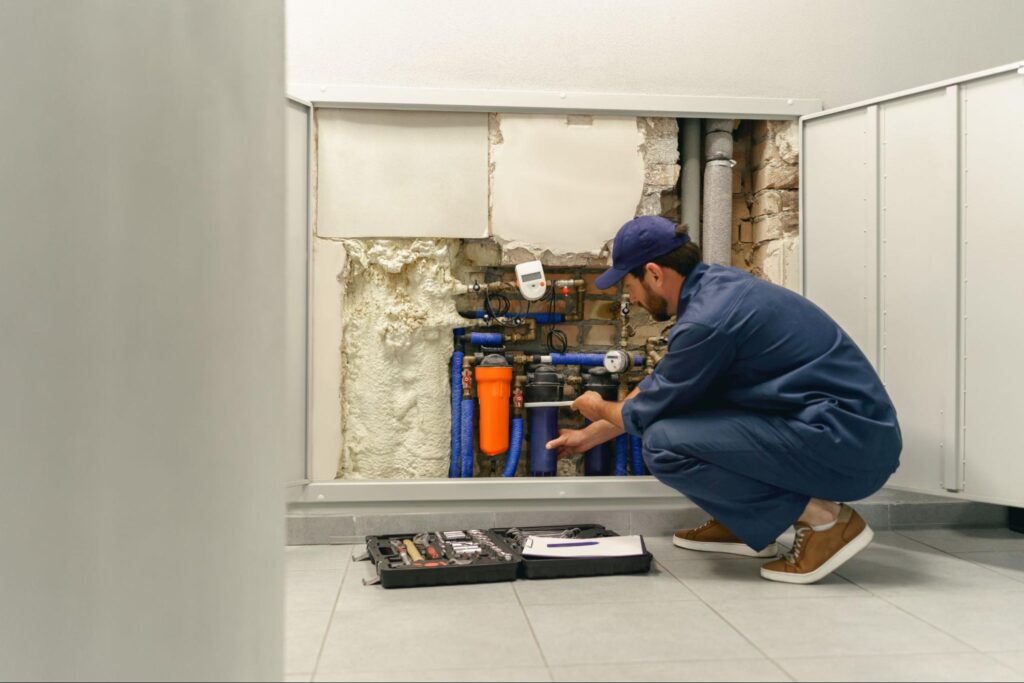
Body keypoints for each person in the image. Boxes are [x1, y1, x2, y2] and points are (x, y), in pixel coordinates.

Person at [547, 215, 902, 584]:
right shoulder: (715, 289)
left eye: (629, 284)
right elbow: (659, 389)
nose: (631, 299)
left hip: (848, 443)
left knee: (663, 444)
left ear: (654, 273)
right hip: (839, 431)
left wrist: (597, 406)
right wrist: (586, 438)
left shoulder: (707, 320)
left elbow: (642, 415)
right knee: (686, 416)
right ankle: (745, 521)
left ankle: (826, 522)